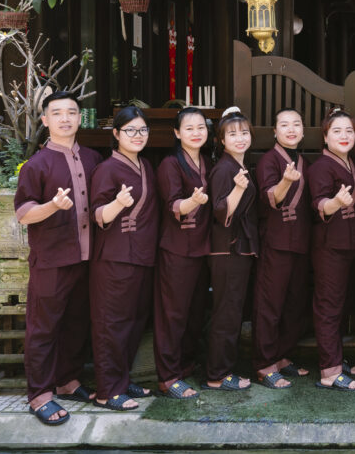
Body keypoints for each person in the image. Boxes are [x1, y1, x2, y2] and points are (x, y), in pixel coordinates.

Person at [15, 91, 103, 425]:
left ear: (80, 118)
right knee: (43, 328)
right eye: (57, 113)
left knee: (77, 323)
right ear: (45, 120)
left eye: (71, 112)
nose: (65, 118)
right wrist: (52, 206)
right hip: (51, 259)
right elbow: (24, 214)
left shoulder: (94, 159)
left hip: (87, 258)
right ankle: (39, 394)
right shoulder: (36, 165)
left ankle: (67, 380)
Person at [88, 105, 159, 410]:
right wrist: (117, 204)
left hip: (141, 255)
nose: (137, 135)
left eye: (142, 130)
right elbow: (98, 214)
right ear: (116, 134)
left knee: (133, 323)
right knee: (112, 325)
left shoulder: (146, 165)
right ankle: (107, 391)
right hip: (114, 258)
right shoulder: (106, 169)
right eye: (130, 130)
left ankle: (122, 380)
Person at [153, 107, 211, 400]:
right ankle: (168, 377)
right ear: (177, 133)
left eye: (201, 127)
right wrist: (192, 202)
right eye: (189, 128)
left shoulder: (207, 162)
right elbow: (173, 204)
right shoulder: (170, 164)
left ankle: (185, 365)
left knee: (194, 312)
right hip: (176, 249)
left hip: (202, 247)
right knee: (172, 315)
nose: (196, 133)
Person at [252, 108, 311, 389]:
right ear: (275, 131)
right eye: (284, 125)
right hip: (275, 240)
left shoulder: (303, 160)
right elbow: (269, 198)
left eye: (296, 124)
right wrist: (286, 181)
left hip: (300, 240)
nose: (291, 130)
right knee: (270, 304)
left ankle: (282, 356)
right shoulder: (268, 160)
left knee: (293, 303)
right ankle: (264, 363)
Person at [307, 110, 355, 391]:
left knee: (341, 306)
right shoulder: (321, 167)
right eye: (337, 131)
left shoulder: (352, 163)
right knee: (328, 307)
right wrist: (335, 203)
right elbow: (319, 204)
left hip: (350, 245)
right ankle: (329, 371)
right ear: (325, 136)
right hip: (329, 246)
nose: (344, 136)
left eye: (349, 131)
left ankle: (336, 359)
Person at [203, 107, 258, 392]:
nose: (240, 138)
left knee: (232, 310)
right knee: (226, 312)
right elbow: (221, 212)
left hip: (237, 249)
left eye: (244, 133)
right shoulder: (224, 169)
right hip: (228, 249)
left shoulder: (237, 165)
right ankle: (217, 374)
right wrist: (237, 189)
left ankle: (223, 369)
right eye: (233, 134)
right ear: (221, 140)